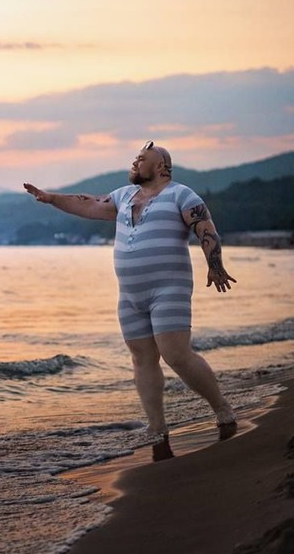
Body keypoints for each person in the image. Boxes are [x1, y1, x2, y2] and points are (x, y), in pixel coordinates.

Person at [24, 141, 238, 444]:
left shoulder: (181, 194)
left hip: (169, 289)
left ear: (161, 166)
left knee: (176, 355)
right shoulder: (123, 196)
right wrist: (51, 198)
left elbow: (205, 228)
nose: (134, 162)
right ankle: (157, 427)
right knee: (141, 359)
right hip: (130, 296)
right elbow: (88, 204)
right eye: (135, 158)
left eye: (141, 159)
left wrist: (214, 264)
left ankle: (221, 408)